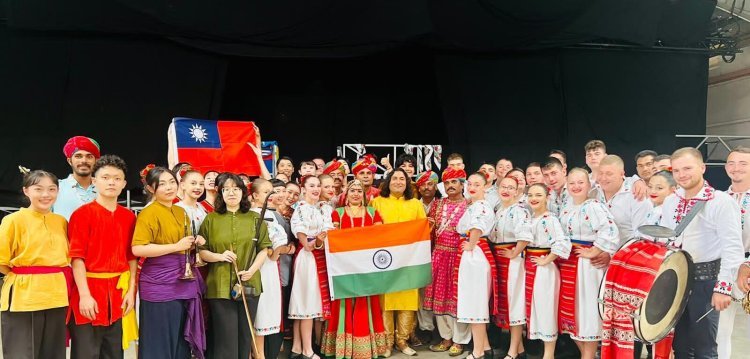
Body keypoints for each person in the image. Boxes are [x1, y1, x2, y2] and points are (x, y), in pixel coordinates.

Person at [659, 147, 744, 358]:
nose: (682, 174)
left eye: (687, 168)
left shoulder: (721, 202)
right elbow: (667, 240)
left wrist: (723, 288)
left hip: (706, 282)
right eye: (677, 170)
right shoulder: (671, 201)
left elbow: (732, 248)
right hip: (677, 280)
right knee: (680, 346)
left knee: (704, 348)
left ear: (702, 167)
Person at [131, 166, 206, 359]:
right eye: (162, 184)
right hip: (159, 282)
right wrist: (176, 246)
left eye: (172, 182)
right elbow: (138, 249)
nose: (169, 187)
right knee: (160, 338)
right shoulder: (149, 213)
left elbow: (182, 244)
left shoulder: (180, 211)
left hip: (182, 278)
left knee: (179, 336)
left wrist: (194, 242)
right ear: (150, 188)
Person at [68, 155, 138, 359]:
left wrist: (131, 291)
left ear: (124, 183)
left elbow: (131, 257)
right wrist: (84, 295)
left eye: (117, 178)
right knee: (85, 353)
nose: (111, 182)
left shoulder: (129, 217)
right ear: (94, 180)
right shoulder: (82, 214)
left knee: (114, 353)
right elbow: (76, 258)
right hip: (89, 292)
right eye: (106, 177)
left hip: (118, 296)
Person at [0, 170, 70, 359]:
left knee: (53, 352)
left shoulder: (61, 222)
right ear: (26, 191)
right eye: (38, 189)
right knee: (22, 352)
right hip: (24, 297)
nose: (46, 194)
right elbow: (2, 261)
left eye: (51, 189)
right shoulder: (13, 220)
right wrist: (26, 275)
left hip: (56, 294)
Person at [321, 180, 389, 359]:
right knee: (343, 303)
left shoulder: (373, 213)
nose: (356, 194)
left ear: (364, 194)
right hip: (343, 268)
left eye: (359, 190)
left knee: (365, 303)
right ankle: (342, 348)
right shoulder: (338, 214)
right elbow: (334, 238)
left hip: (367, 268)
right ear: (346, 193)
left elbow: (379, 237)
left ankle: (365, 348)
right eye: (353, 190)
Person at [558, 168, 619, 359]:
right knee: (574, 312)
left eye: (580, 182)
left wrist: (595, 249)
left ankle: (589, 355)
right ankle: (588, 355)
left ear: (589, 185)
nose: (576, 186)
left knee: (588, 310)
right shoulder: (566, 208)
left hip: (587, 267)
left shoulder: (594, 206)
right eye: (572, 183)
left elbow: (609, 229)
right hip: (568, 264)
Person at [370, 169, 426, 357]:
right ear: (388, 181)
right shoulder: (377, 202)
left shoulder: (415, 204)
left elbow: (422, 230)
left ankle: (402, 340)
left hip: (408, 262)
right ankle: (387, 343)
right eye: (395, 178)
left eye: (403, 179)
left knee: (407, 300)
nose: (399, 182)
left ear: (408, 182)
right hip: (384, 261)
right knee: (385, 301)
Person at [423, 168, 471, 356]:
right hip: (439, 256)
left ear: (462, 184)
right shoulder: (437, 204)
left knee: (457, 300)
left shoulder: (470, 205)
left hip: (459, 258)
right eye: (448, 183)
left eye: (455, 182)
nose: (451, 186)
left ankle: (460, 341)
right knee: (439, 299)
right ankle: (446, 338)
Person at [288, 175, 334, 359]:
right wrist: (318, 240)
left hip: (321, 258)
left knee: (305, 303)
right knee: (306, 304)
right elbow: (306, 243)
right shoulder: (300, 209)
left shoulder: (324, 208)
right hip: (307, 259)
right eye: (311, 185)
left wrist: (320, 239)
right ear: (303, 188)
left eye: (318, 185)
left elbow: (330, 232)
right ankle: (307, 350)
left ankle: (297, 347)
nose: (316, 189)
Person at [455, 172, 498, 359]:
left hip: (476, 254)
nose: (472, 187)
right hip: (473, 253)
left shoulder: (481, 206)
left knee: (475, 303)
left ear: (485, 186)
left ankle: (478, 351)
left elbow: (477, 227)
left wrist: (471, 244)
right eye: (470, 183)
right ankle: (485, 346)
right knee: (473, 302)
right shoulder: (474, 205)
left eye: (477, 184)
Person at [525, 183, 571, 359]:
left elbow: (561, 242)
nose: (534, 198)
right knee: (537, 309)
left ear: (547, 197)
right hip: (531, 267)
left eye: (538, 195)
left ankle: (549, 355)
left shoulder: (549, 219)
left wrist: (546, 259)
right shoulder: (530, 218)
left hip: (544, 270)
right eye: (530, 195)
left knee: (546, 310)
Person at [490, 176, 532, 359]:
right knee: (507, 303)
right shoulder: (499, 210)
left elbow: (524, 236)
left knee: (515, 303)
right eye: (503, 187)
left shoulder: (519, 210)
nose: (506, 190)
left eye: (511, 187)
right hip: (500, 260)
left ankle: (513, 351)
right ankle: (519, 348)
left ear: (517, 191)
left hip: (512, 261)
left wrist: (514, 253)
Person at [248, 178, 289, 359]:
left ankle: (260, 354)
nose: (270, 195)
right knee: (259, 313)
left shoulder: (271, 214)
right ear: (255, 195)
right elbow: (269, 249)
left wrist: (279, 250)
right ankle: (258, 354)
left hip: (271, 268)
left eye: (271, 191)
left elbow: (276, 250)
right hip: (260, 267)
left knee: (265, 314)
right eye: (266, 192)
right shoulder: (254, 215)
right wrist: (277, 250)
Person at [717, 146, 750, 359]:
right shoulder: (718, 198)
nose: (736, 168)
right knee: (719, 332)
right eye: (731, 163)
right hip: (726, 271)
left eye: (743, 163)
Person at [594, 155, 652, 248]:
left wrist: (610, 254)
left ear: (622, 174)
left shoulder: (637, 195)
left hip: (625, 256)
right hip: (595, 252)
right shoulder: (593, 191)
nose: (603, 178)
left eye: (609, 174)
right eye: (600, 173)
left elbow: (643, 237)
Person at [54, 135, 101, 220]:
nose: (84, 161)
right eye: (78, 156)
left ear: (96, 161)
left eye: (89, 156)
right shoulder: (55, 188)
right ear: (69, 161)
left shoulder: (104, 188)